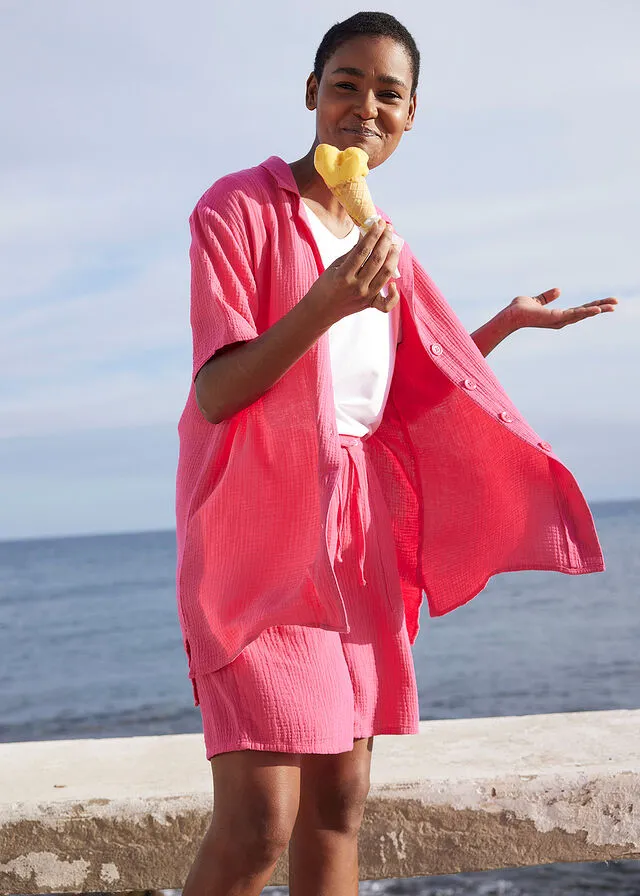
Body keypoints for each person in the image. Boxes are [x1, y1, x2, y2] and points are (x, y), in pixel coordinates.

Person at [175, 12, 618, 896]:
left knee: (341, 805)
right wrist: (328, 304)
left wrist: (501, 325)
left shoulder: (387, 246)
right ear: (311, 94)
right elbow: (220, 390)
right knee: (260, 822)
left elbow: (401, 394)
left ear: (410, 118)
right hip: (258, 535)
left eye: (389, 94)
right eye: (346, 83)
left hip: (357, 534)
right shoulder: (238, 208)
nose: (364, 107)